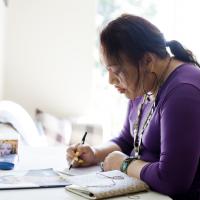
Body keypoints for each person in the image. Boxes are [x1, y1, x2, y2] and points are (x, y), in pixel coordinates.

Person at [66, 14, 200, 200]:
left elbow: (173, 180)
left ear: (147, 60)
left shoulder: (183, 92)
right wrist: (95, 154)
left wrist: (123, 164)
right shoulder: (145, 82)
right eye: (108, 70)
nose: (111, 80)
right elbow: (128, 140)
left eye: (117, 71)